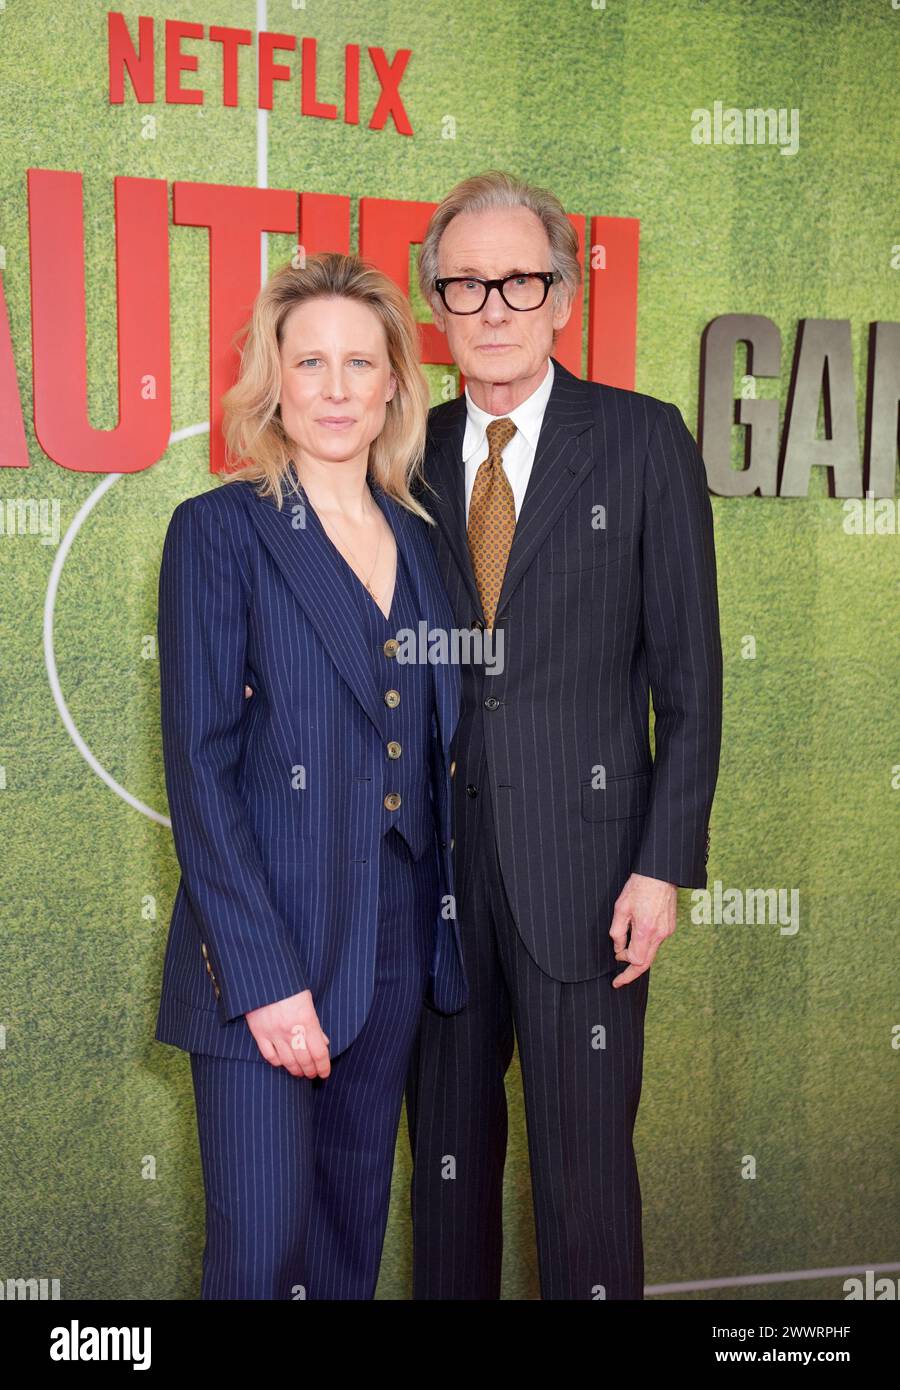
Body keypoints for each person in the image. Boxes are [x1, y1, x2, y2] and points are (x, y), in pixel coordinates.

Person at [404, 170, 723, 1300]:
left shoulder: (642, 441)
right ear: (435, 305)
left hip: (591, 877)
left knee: (586, 1184)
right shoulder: (403, 452)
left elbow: (691, 679)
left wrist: (661, 865)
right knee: (445, 1183)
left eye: (520, 280)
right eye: (466, 284)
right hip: (432, 885)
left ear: (565, 296)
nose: (493, 306)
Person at [154, 251, 467, 1300]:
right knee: (258, 1256)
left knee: (345, 1247)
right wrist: (265, 979)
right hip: (262, 952)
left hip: (395, 948)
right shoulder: (219, 532)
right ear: (274, 380)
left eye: (360, 363)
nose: (336, 388)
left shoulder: (427, 549)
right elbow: (199, 769)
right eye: (311, 361)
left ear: (393, 385)